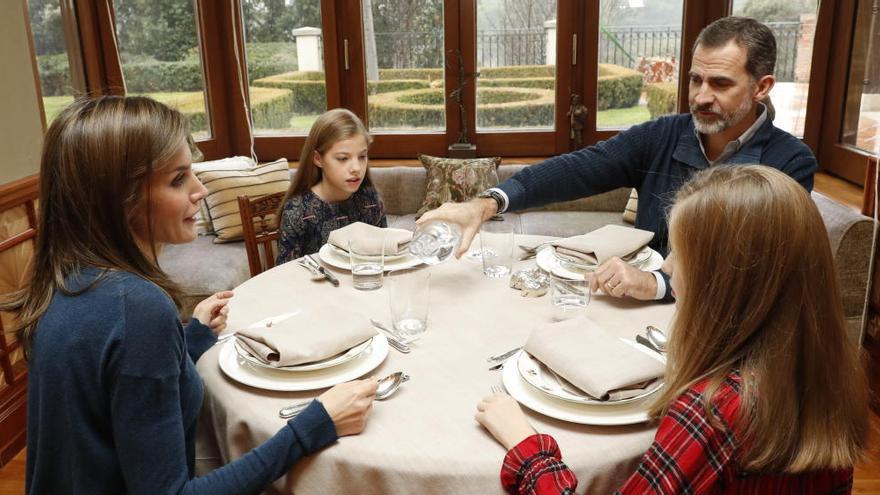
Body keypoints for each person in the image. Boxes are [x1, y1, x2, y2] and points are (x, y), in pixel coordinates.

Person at [3, 96, 378, 494]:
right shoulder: (138, 309)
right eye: (178, 179)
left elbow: (123, 388)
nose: (200, 190)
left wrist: (191, 338)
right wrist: (315, 425)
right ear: (121, 197)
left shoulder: (72, 280)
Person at [475, 165, 869, 494]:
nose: (665, 268)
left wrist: (529, 448)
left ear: (720, 285)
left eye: (679, 256)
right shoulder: (833, 371)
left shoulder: (712, 414)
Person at [418, 16, 816, 302]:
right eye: (696, 79)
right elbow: (578, 168)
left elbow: (748, 270)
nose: (700, 97)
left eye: (720, 84)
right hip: (632, 310)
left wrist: (656, 284)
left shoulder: (790, 163)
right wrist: (487, 203)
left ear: (761, 87)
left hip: (718, 332)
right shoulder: (663, 133)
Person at [276, 108, 386, 264]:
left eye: (362, 156)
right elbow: (285, 275)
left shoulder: (370, 200)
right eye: (342, 158)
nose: (356, 168)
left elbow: (386, 257)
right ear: (318, 159)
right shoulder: (297, 211)